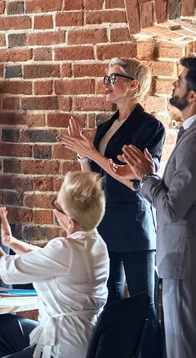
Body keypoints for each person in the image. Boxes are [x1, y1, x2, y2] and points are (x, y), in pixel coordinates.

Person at [115, 56, 196, 358]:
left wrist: (145, 177)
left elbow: (170, 209)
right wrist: (148, 178)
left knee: (185, 349)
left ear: (192, 95)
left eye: (179, 80)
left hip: (186, 261)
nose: (173, 83)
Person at [58, 58, 165, 357]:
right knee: (112, 301)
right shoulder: (105, 126)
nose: (105, 83)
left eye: (113, 77)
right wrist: (83, 154)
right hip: (104, 223)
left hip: (134, 226)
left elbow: (134, 177)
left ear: (133, 84)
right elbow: (96, 175)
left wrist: (91, 150)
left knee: (145, 304)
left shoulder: (151, 127)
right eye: (105, 77)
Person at [0, 171, 109, 358]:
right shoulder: (96, 242)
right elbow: (48, 259)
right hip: (86, 339)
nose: (53, 208)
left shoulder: (64, 248)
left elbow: (2, 268)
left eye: (56, 204)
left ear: (70, 221)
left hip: (63, 347)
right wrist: (11, 242)